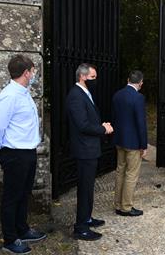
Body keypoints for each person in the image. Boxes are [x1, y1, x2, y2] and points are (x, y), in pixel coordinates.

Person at [0, 54, 46, 254]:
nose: (34, 74)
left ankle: (22, 229)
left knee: (24, 193)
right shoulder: (9, 96)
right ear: (25, 73)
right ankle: (10, 239)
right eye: (32, 71)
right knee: (12, 197)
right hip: (14, 153)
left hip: (27, 151)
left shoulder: (23, 92)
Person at [66, 63, 114, 241]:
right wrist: (103, 129)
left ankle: (87, 217)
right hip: (84, 150)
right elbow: (83, 125)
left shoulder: (84, 93)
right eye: (93, 77)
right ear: (83, 77)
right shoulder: (76, 96)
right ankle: (80, 228)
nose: (96, 81)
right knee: (85, 189)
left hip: (90, 149)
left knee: (89, 188)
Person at [112, 70, 147, 217]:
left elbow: (114, 117)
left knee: (120, 171)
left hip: (119, 140)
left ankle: (118, 204)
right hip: (133, 142)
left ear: (128, 80)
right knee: (131, 174)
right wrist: (143, 145)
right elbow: (141, 123)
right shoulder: (138, 97)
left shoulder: (117, 95)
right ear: (140, 83)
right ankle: (126, 207)